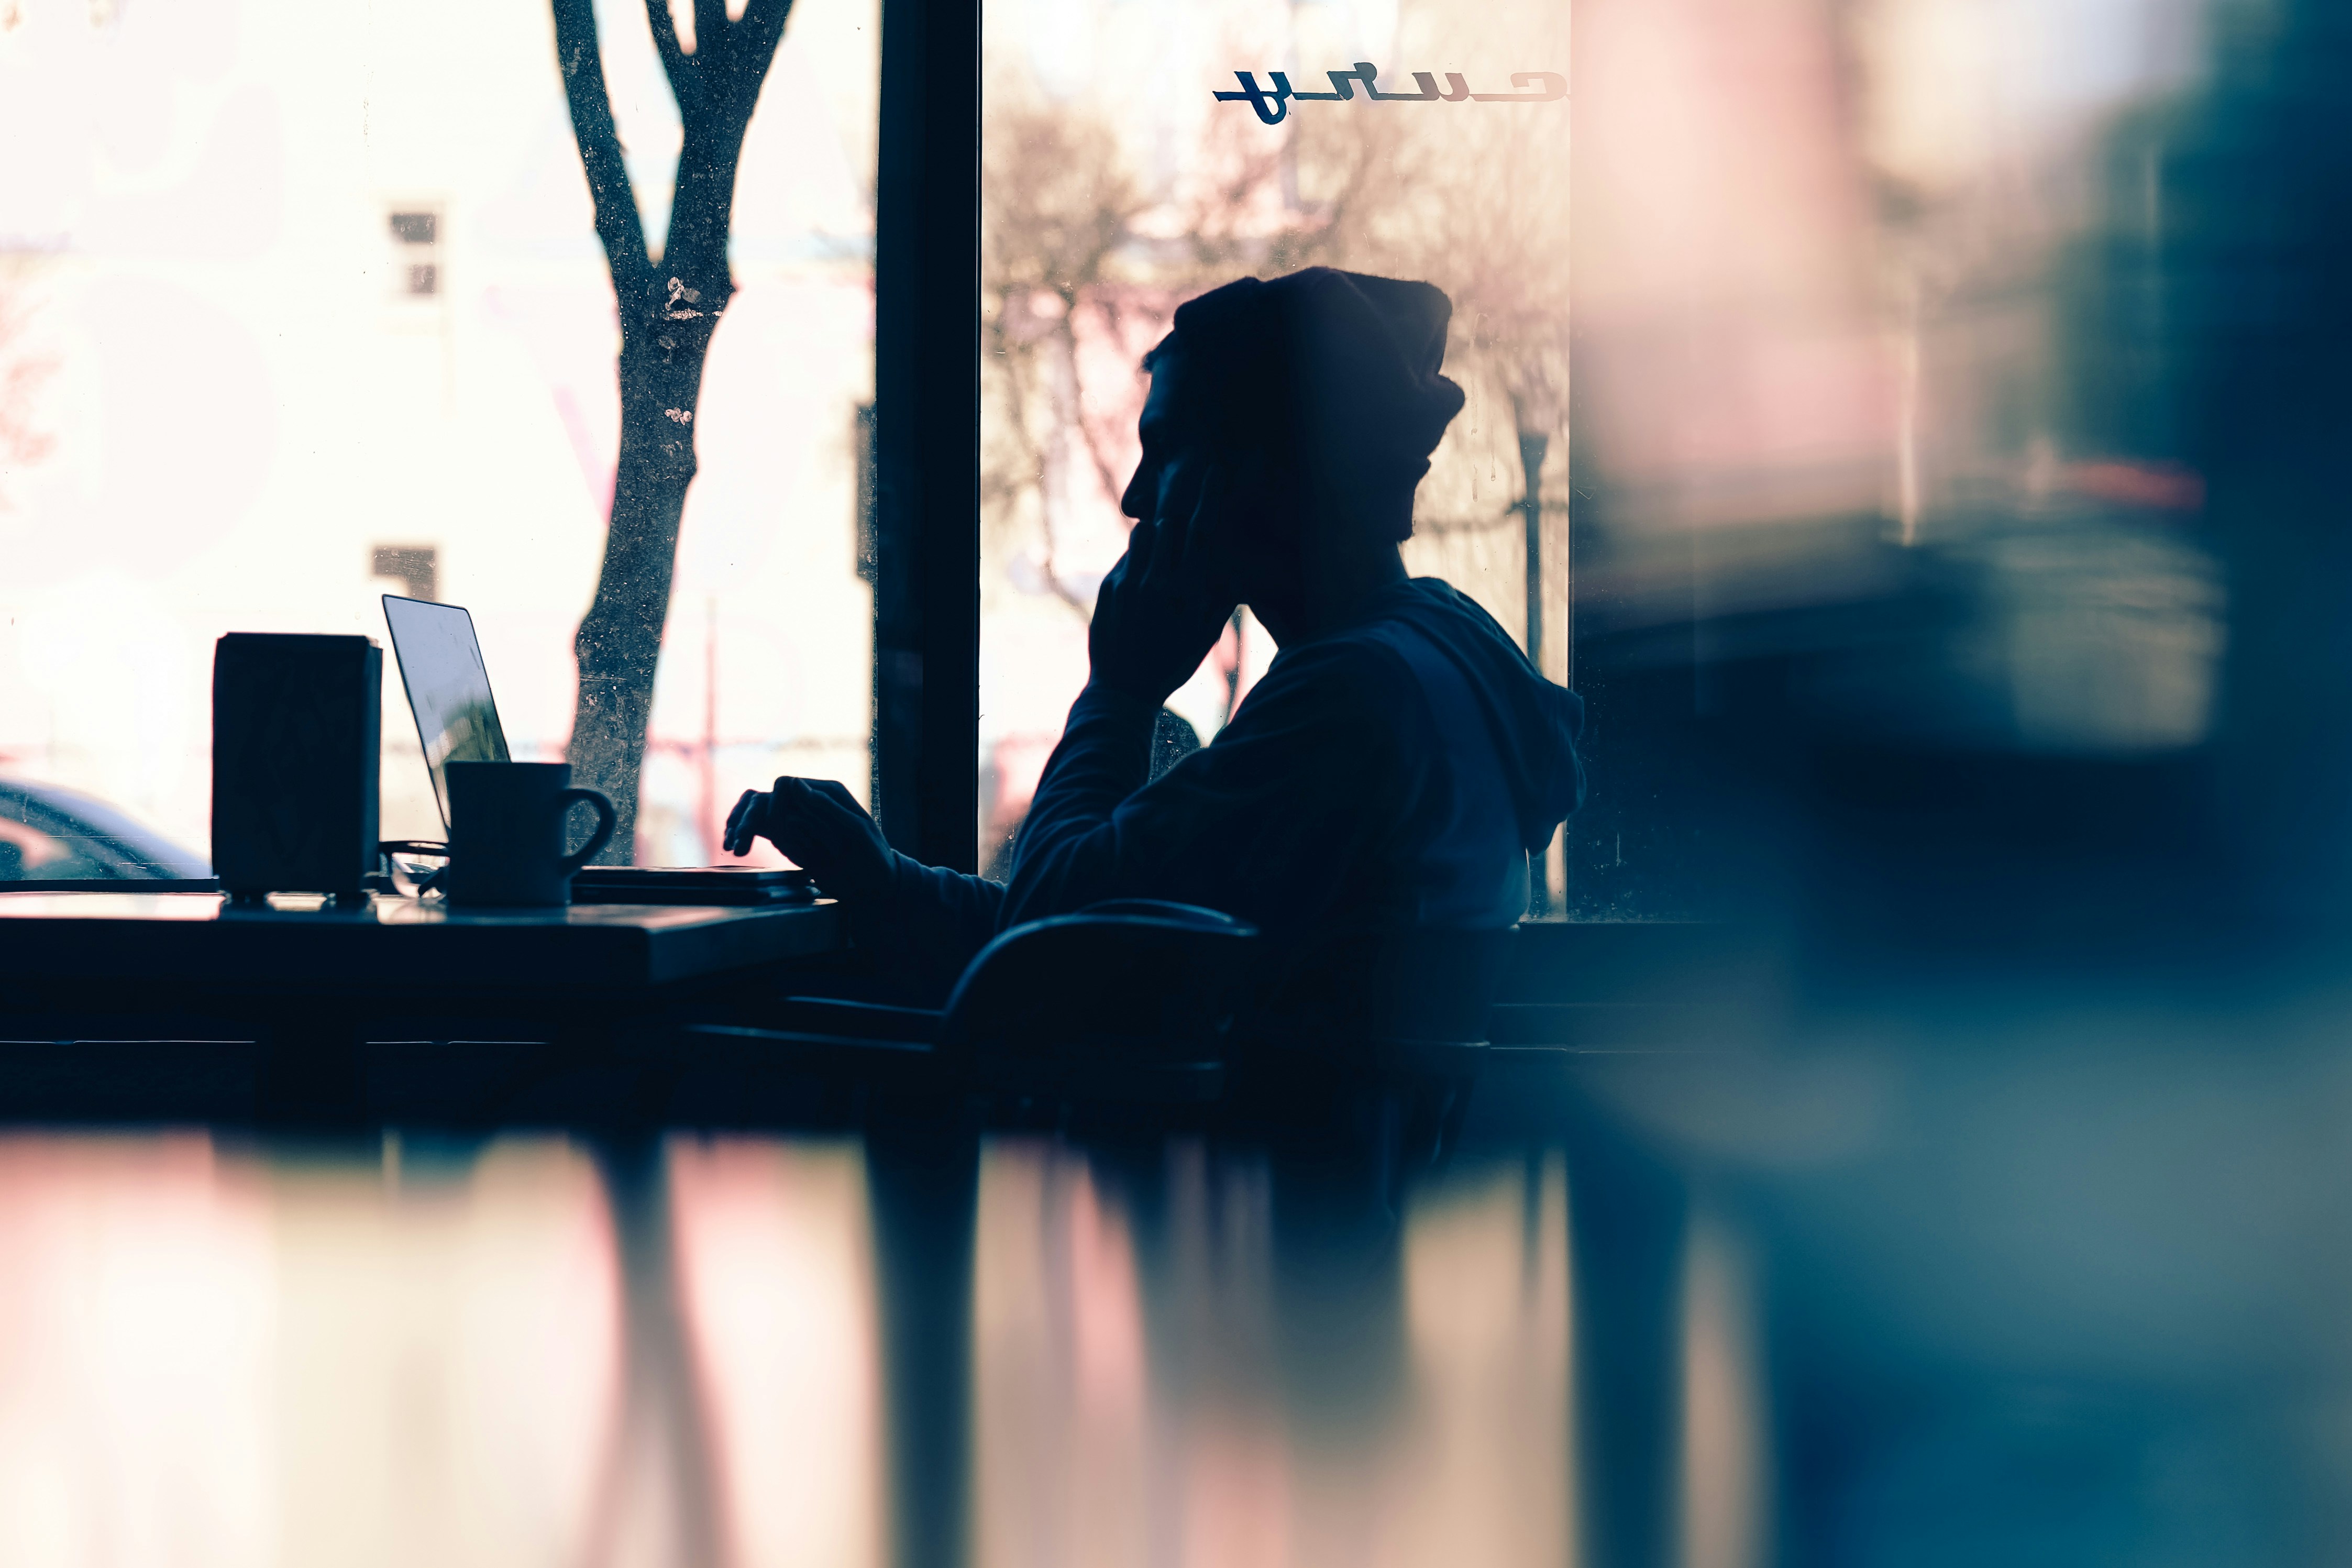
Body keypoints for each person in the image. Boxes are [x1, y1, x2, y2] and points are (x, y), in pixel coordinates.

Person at [725, 267, 1586, 1007]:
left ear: (1265, 467)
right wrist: (885, 880)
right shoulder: (1429, 658)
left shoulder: (1349, 702)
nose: (1137, 497)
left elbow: (1048, 951)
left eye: (1165, 449)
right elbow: (1103, 913)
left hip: (1229, 1188)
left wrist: (1120, 692)